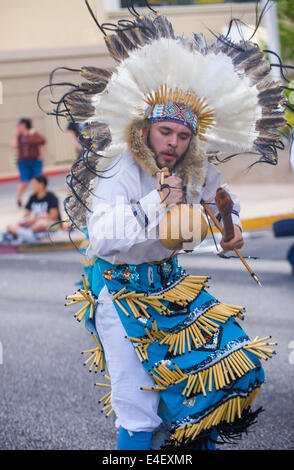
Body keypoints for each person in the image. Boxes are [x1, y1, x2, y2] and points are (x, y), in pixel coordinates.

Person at [46, 3, 286, 451]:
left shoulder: (192, 165)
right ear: (145, 129)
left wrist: (230, 225)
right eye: (165, 133)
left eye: (182, 135)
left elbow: (221, 195)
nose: (173, 143)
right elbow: (101, 236)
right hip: (121, 295)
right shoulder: (119, 168)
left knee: (213, 383)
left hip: (171, 290)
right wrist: (159, 200)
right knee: (141, 410)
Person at [6, 175, 61, 243]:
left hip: (49, 223)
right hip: (34, 224)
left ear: (41, 184)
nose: (31, 186)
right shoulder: (32, 197)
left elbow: (53, 216)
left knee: (41, 224)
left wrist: (34, 220)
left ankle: (23, 235)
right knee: (10, 226)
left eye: (33, 184)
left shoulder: (51, 196)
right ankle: (29, 235)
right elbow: (26, 215)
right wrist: (23, 222)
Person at [11, 118, 46, 207]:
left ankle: (38, 198)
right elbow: (14, 146)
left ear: (24, 125)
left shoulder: (34, 134)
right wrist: (16, 134)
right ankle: (18, 197)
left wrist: (41, 155)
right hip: (23, 162)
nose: (18, 127)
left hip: (35, 161)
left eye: (20, 125)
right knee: (24, 181)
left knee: (38, 180)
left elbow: (43, 143)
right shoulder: (19, 136)